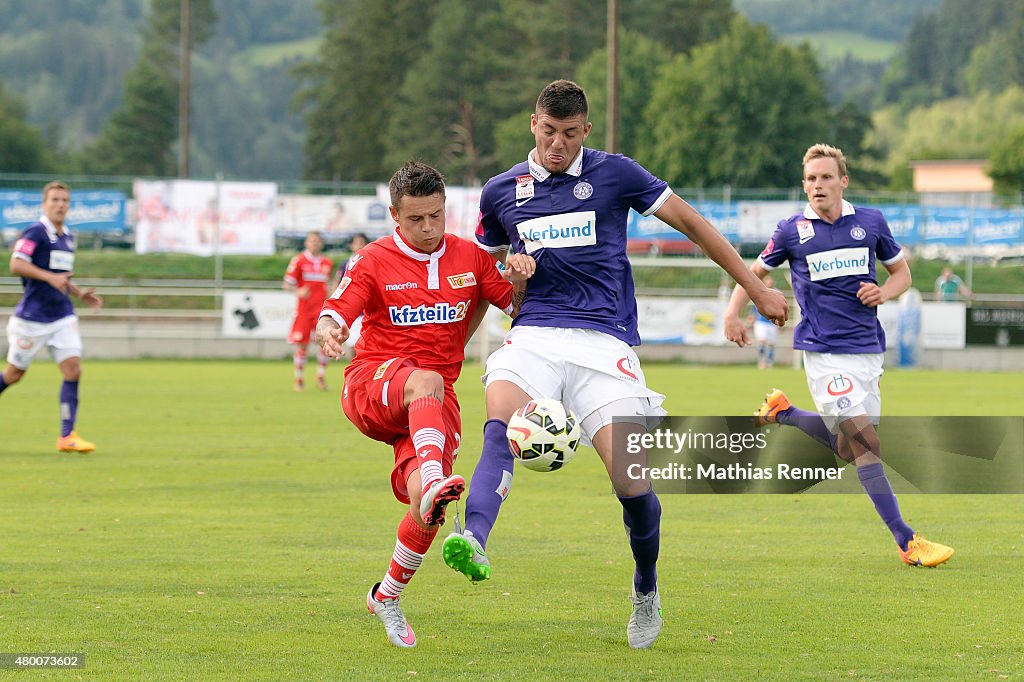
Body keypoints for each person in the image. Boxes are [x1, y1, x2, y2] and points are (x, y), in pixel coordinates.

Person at [441, 79, 788, 649]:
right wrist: (498, 299)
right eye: (549, 132)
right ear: (534, 124)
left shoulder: (616, 173)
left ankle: (645, 587)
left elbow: (695, 225)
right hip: (535, 335)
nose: (557, 145)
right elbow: (492, 277)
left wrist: (753, 286)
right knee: (499, 425)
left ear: (587, 132)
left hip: (605, 345)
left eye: (570, 135)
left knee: (632, 484)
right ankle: (474, 538)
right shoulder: (501, 191)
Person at [316, 161, 533, 648]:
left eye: (436, 216)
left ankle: (387, 595)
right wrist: (329, 331)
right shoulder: (373, 260)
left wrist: (520, 278)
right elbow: (335, 312)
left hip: (435, 404)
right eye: (416, 219)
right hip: (374, 383)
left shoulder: (471, 259)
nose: (428, 227)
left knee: (426, 506)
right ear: (395, 215)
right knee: (427, 381)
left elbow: (519, 308)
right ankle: (435, 479)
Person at [724, 143, 954, 568]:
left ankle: (784, 412)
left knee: (849, 450)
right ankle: (908, 541)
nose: (818, 186)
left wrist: (883, 291)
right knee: (867, 445)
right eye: (810, 179)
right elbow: (752, 274)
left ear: (842, 181)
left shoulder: (870, 222)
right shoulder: (792, 231)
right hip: (823, 356)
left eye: (826, 177)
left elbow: (901, 272)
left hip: (868, 353)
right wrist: (733, 312)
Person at [1, 181, 103, 452]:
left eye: (65, 201)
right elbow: (16, 263)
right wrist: (50, 278)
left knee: (73, 369)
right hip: (31, 319)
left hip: (62, 316)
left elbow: (60, 276)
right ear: (44, 204)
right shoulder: (36, 232)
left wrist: (79, 293)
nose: (60, 205)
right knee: (13, 375)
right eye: (55, 200)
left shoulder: (68, 236)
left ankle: (67, 436)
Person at [283, 231, 334, 391]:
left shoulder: (327, 262)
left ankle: (320, 377)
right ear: (306, 243)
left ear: (321, 243)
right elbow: (287, 284)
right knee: (302, 345)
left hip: (321, 311)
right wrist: (298, 291)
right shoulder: (298, 260)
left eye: (318, 241)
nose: (315, 244)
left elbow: (329, 284)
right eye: (312, 241)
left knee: (325, 343)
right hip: (304, 311)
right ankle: (299, 379)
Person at [334, 233, 369, 359]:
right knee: (353, 347)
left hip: (367, 311)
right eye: (356, 243)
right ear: (351, 246)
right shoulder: (345, 264)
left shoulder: (371, 262)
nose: (359, 246)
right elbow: (338, 285)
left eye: (362, 243)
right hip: (354, 312)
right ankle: (355, 374)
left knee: (366, 348)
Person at [747, 274, 779, 369]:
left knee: (771, 344)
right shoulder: (759, 293)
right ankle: (761, 360)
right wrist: (751, 321)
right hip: (760, 322)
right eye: (768, 281)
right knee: (761, 342)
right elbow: (753, 309)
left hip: (772, 323)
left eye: (771, 281)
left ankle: (769, 363)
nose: (769, 283)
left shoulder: (777, 293)